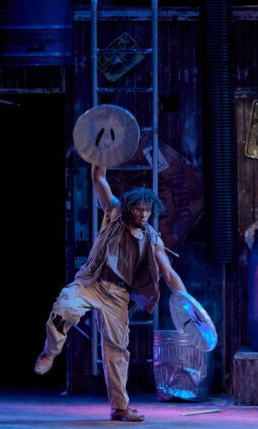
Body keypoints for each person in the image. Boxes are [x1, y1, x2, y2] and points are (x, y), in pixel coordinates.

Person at [34, 164, 188, 422]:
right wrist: (102, 151)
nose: (143, 214)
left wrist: (186, 301)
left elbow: (169, 274)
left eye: (147, 209)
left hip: (117, 296)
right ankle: (51, 351)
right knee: (63, 310)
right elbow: (98, 177)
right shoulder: (114, 212)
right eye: (138, 209)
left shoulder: (153, 239)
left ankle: (119, 407)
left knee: (117, 351)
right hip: (92, 283)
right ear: (129, 208)